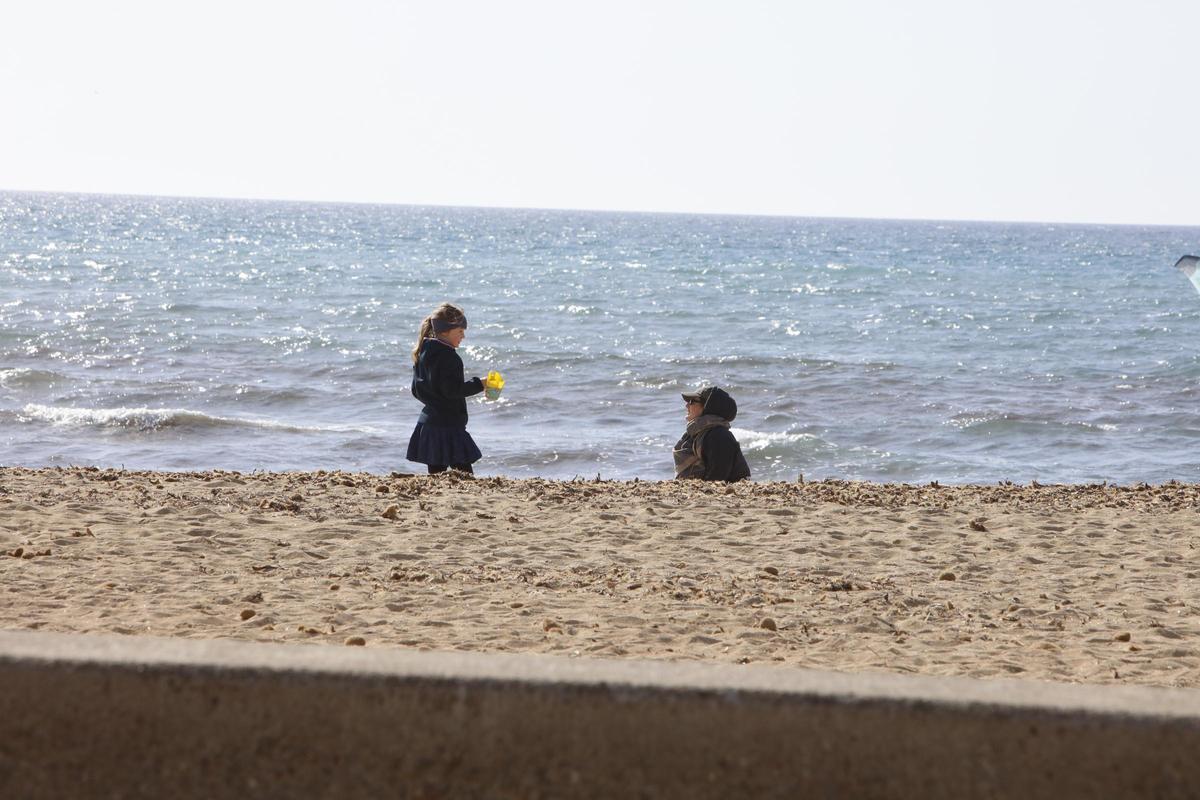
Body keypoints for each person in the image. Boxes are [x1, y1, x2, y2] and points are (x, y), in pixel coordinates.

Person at [406, 303, 486, 475]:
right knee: (465, 476)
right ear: (445, 331)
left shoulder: (422, 351)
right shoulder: (449, 357)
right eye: (460, 331)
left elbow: (416, 390)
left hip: (428, 424)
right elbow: (452, 390)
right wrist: (481, 384)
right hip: (448, 426)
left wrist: (434, 401)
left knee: (436, 478)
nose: (463, 336)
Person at [673, 386, 751, 482]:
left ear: (707, 407)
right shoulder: (699, 434)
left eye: (692, 401)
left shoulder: (718, 436)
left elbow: (717, 478)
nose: (687, 406)